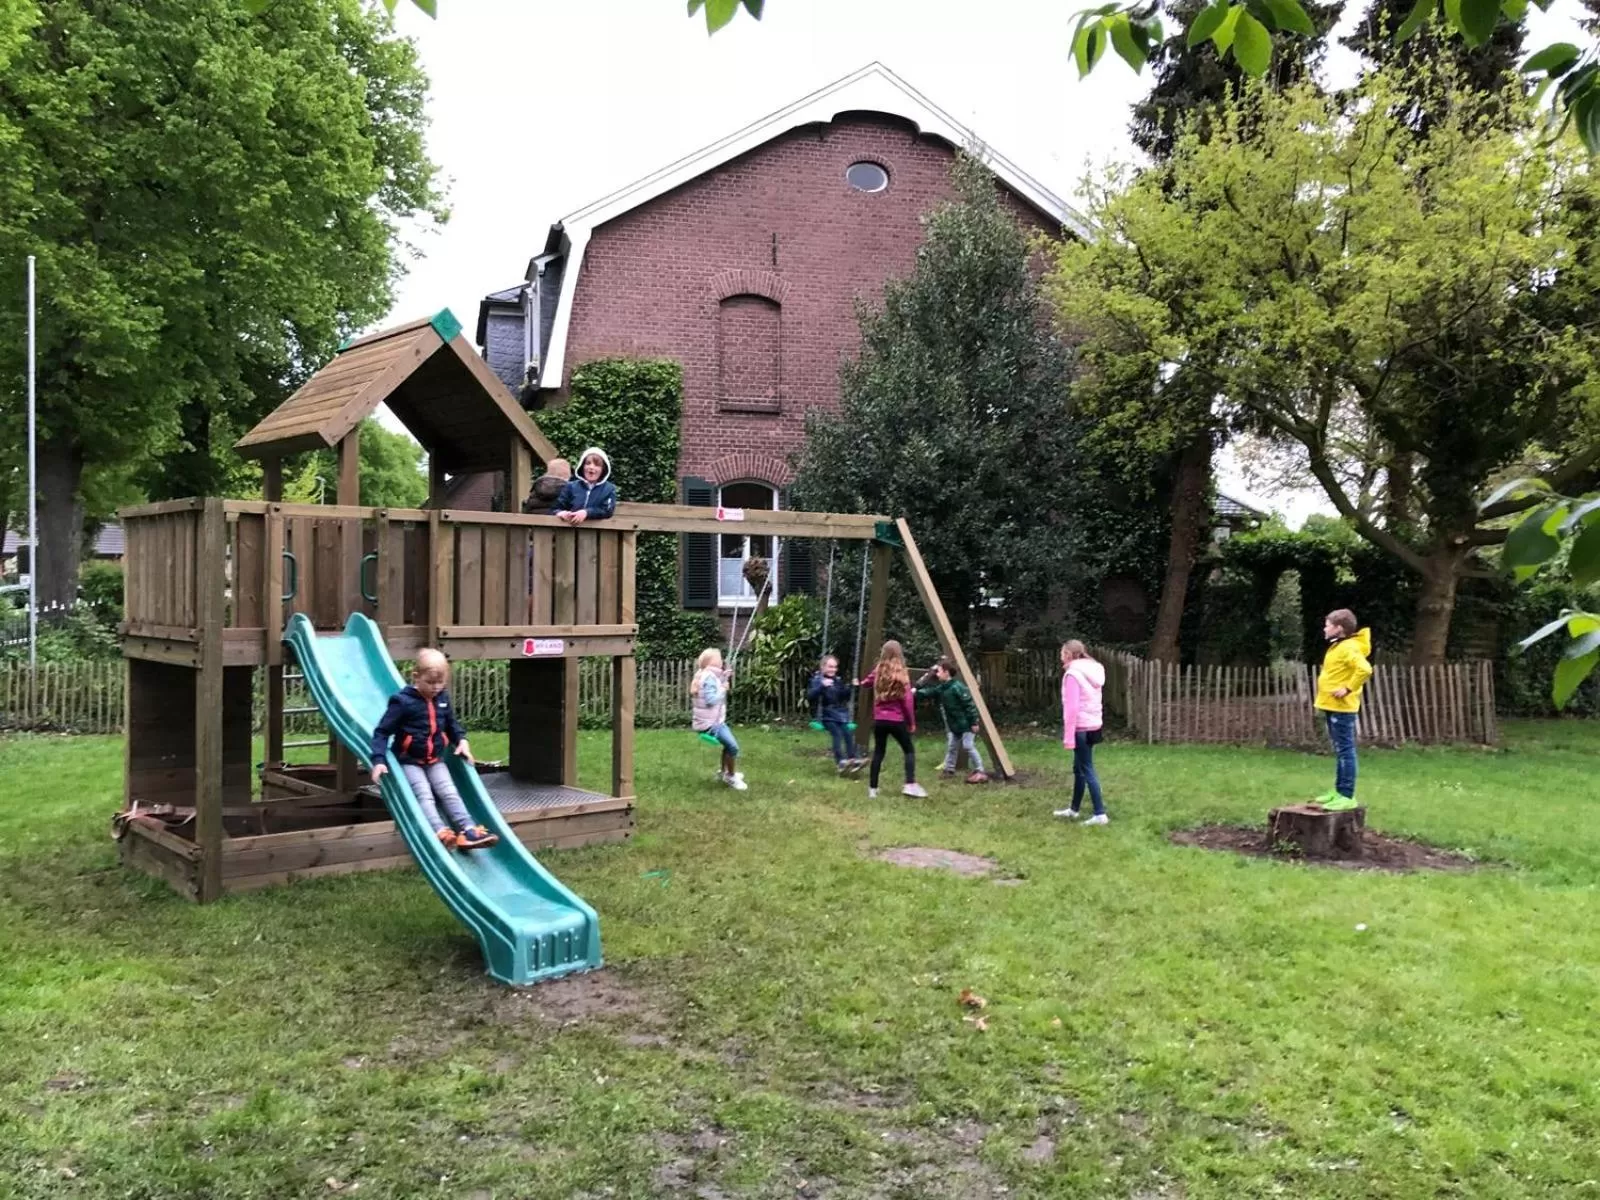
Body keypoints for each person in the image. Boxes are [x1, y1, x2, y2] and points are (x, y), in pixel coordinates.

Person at [369, 648, 498, 850]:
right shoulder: (403, 702)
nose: (435, 688)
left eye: (440, 683)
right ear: (416, 677)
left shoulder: (442, 699)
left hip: (435, 759)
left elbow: (452, 725)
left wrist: (462, 741)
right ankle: (440, 831)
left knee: (449, 791)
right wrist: (378, 761)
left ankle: (468, 830)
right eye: (430, 683)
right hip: (408, 760)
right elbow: (382, 732)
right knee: (424, 794)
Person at [1314, 609, 1373, 811]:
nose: (1324, 628)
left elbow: (1365, 669)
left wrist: (1348, 688)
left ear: (1339, 628)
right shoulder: (1339, 646)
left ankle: (1347, 795)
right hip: (1332, 705)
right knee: (1340, 751)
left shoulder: (1348, 648)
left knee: (1345, 751)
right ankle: (1339, 792)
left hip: (1342, 708)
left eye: (1328, 625)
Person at [855, 639, 927, 799]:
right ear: (899, 654)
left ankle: (872, 789)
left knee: (879, 752)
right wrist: (911, 722)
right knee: (908, 749)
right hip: (896, 720)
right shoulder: (901, 673)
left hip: (880, 720)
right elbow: (907, 701)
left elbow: (866, 683)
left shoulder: (879, 671)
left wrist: (860, 683)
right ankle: (910, 784)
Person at [1052, 640, 1108, 825]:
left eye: (1062, 653)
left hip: (1081, 728)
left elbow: (1072, 708)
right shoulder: (1094, 670)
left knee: (1087, 769)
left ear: (1068, 654)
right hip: (1093, 726)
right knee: (1079, 769)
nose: (1061, 656)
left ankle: (1100, 814)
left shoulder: (1073, 675)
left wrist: (1069, 737)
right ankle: (1074, 809)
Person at [916, 657, 987, 783]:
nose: (937, 674)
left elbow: (969, 705)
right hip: (955, 725)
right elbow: (930, 692)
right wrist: (915, 693)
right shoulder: (943, 687)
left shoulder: (957, 687)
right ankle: (949, 770)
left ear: (946, 672)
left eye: (939, 671)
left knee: (968, 746)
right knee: (952, 746)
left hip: (966, 724)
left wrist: (974, 722)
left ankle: (980, 771)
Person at [691, 647, 747, 791]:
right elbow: (711, 699)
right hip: (712, 724)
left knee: (727, 746)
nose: (722, 660)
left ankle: (724, 772)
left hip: (707, 722)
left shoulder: (704, 674)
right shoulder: (709, 677)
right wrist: (723, 688)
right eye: (719, 658)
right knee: (733, 747)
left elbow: (713, 684)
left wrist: (724, 677)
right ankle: (731, 777)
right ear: (712, 662)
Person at [807, 655, 864, 773]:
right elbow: (810, 696)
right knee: (837, 734)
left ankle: (853, 760)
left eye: (835, 667)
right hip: (825, 715)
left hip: (839, 714)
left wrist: (851, 687)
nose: (833, 669)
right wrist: (822, 686)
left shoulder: (837, 681)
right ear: (823, 667)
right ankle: (841, 762)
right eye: (830, 667)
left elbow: (843, 696)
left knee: (848, 733)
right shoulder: (817, 680)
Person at [555, 447, 617, 524]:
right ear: (582, 466)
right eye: (588, 463)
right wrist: (560, 513)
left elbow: (607, 511)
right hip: (569, 531)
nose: (591, 467)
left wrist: (586, 512)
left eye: (597, 465)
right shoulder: (570, 486)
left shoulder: (609, 489)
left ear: (603, 469)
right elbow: (555, 508)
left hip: (597, 533)